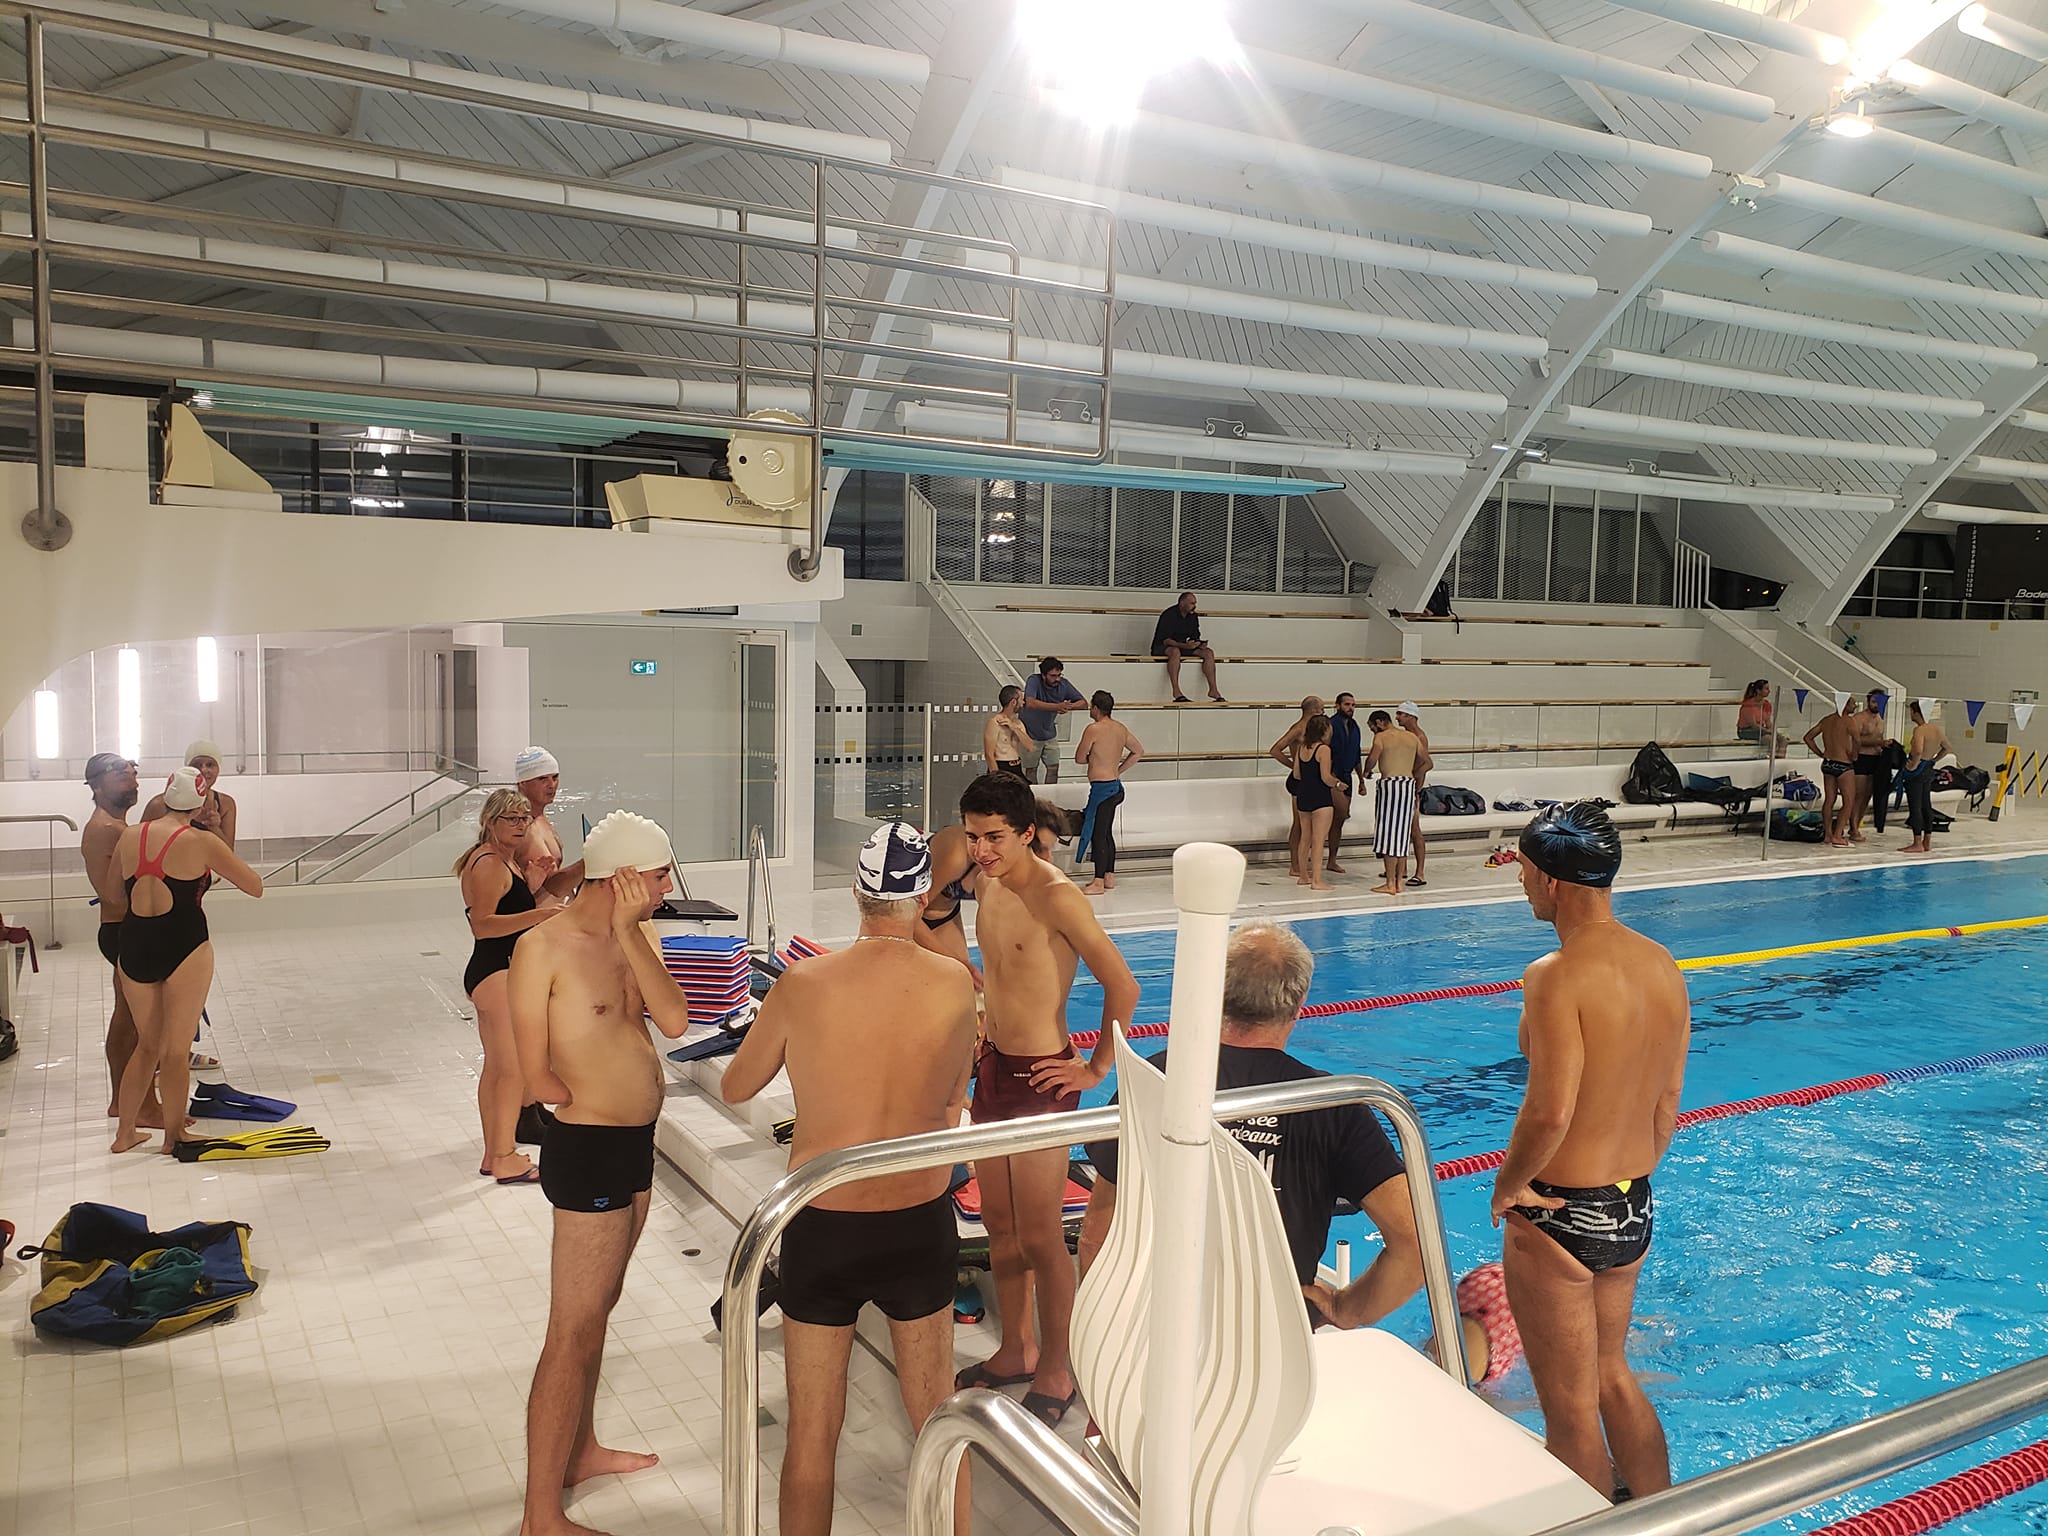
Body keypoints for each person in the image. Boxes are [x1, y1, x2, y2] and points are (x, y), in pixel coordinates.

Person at [721, 823, 978, 1536]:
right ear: (924, 895)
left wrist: (785, 1030)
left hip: (821, 1221)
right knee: (939, 1420)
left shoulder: (805, 983)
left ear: (856, 894)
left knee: (812, 1432)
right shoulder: (956, 984)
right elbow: (955, 1098)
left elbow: (740, 1085)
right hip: (918, 1220)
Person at [1078, 923, 1422, 1332]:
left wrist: (1107, 1331)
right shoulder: (1332, 1105)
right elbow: (1415, 1245)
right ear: (1300, 1004)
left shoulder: (1155, 1079)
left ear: (1217, 992)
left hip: (1161, 1330)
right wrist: (1349, 1310)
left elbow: (1099, 1228)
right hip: (1272, 1344)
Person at [1491, 801, 1689, 1502]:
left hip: (1560, 1216)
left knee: (1570, 1413)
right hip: (1632, 1205)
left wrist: (1509, 1185)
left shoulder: (1556, 973)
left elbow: (1549, 1111)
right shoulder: (1662, 964)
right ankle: (1664, 1519)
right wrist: (1623, 1179)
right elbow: (1668, 1105)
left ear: (1550, 880)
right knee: (1613, 1376)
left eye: (1520, 870)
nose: (1519, 884)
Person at [508, 811, 691, 1536]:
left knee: (601, 1308)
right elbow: (534, 1073)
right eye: (657, 874)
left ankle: (580, 1450)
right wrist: (584, 1095)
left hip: (636, 1143)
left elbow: (673, 1021)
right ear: (620, 875)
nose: (666, 886)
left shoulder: (635, 935)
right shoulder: (541, 946)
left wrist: (626, 931)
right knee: (570, 1328)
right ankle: (538, 1516)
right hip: (588, 1148)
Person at [952, 771, 1140, 1428]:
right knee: (1000, 1229)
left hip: (1042, 1079)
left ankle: (1059, 1364)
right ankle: (1016, 1349)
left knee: (1038, 1235)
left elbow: (1124, 985)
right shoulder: (986, 884)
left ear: (1028, 832)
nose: (981, 849)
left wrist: (1093, 1068)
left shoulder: (1058, 897)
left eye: (994, 837)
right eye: (974, 836)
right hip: (994, 1070)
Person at [109, 767, 265, 1155]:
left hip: (134, 943)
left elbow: (114, 892)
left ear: (164, 796)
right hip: (184, 944)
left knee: (146, 1045)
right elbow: (255, 886)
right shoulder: (201, 841)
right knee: (175, 1050)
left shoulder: (130, 835)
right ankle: (174, 1135)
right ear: (199, 802)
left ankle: (125, 1134)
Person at [456, 789, 565, 1184]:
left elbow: (512, 910)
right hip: (495, 973)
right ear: (491, 821)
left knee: (499, 1070)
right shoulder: (488, 863)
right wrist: (541, 915)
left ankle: (494, 1154)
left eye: (524, 819)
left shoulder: (503, 860)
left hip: (494, 973)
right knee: (511, 1071)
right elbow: (483, 926)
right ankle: (504, 1156)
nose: (521, 825)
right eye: (512, 819)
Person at [81, 752, 162, 1128]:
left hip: (124, 931)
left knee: (129, 1018)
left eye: (134, 775)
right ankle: (142, 1104)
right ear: (96, 786)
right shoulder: (106, 829)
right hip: (125, 930)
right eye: (122, 777)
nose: (132, 782)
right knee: (142, 1022)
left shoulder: (117, 826)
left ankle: (121, 1100)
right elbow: (112, 895)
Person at [915, 800, 1075, 982]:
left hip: (945, 914)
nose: (1048, 859)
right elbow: (910, 917)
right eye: (1041, 849)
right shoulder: (958, 853)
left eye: (1050, 850)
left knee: (966, 985)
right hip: (900, 911)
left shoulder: (1008, 867)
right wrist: (958, 961)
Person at [1073, 690, 1144, 895]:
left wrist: (1094, 759)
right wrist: (1117, 769)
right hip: (1115, 786)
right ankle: (1109, 876)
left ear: (1095, 708)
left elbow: (1079, 758)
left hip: (1102, 789)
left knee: (1098, 834)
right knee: (1106, 833)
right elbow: (1138, 751)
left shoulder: (1093, 729)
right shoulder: (1120, 728)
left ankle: (1098, 881)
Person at [1363, 710, 1422, 896]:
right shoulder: (1412, 738)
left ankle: (1389, 883)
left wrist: (1366, 772)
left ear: (1379, 722)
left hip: (1390, 785)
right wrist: (1413, 773)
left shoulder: (1381, 737)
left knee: (1389, 834)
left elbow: (1373, 758)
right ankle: (1398, 882)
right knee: (1403, 835)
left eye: (1372, 727)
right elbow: (1427, 762)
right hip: (1408, 785)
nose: (1373, 732)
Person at [140, 739, 239, 849]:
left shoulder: (225, 804)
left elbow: (228, 852)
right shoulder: (159, 804)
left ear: (218, 769)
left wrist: (214, 828)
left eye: (210, 765)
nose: (203, 770)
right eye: (196, 765)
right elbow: (139, 845)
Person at [514, 746, 582, 898]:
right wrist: (591, 860)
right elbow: (554, 886)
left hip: (557, 915)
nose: (551, 785)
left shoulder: (541, 820)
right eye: (542, 779)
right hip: (540, 919)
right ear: (522, 783)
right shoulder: (523, 828)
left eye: (555, 777)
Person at [1268, 697, 1324, 882]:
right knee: (1300, 824)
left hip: (1310, 780)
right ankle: (1295, 864)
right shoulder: (1299, 728)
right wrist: (1294, 766)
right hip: (1299, 780)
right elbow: (1275, 750)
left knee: (1307, 824)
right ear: (1314, 710)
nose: (1324, 712)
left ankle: (1301, 862)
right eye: (1322, 708)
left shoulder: (1313, 729)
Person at [1290, 715, 1343, 894]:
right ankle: (1317, 880)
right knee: (1318, 840)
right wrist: (1338, 784)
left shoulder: (1301, 748)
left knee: (1305, 837)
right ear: (1325, 730)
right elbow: (1326, 777)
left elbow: (1296, 774)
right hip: (1320, 797)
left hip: (1303, 794)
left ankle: (1303, 876)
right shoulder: (1324, 749)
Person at [1800, 703, 1859, 849]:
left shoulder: (1826, 720)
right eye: (1852, 703)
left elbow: (1808, 737)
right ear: (1844, 704)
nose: (1856, 705)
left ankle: (1828, 835)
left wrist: (1820, 753)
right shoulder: (1849, 721)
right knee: (1849, 801)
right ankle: (1838, 836)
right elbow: (1857, 740)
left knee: (1829, 800)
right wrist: (1854, 755)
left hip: (1828, 764)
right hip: (1843, 765)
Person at [1018, 658, 1086, 783]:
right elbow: (1030, 703)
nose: (1057, 679)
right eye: (1053, 676)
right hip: (1030, 734)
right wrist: (1057, 706)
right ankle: (1033, 796)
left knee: (1053, 767)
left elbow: (1083, 703)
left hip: (1049, 733)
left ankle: (1050, 795)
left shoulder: (1063, 684)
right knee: (1031, 769)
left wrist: (1067, 706)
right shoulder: (1034, 680)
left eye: (1059, 675)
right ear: (1043, 675)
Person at [1898, 702, 1952, 856]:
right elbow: (1948, 748)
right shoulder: (1936, 729)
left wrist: (1912, 766)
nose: (1910, 715)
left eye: (1911, 712)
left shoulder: (1919, 730)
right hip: (1928, 768)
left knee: (1915, 806)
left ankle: (1916, 843)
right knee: (1926, 805)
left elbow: (1917, 750)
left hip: (1918, 770)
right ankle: (1927, 841)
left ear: (1916, 713)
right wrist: (1934, 760)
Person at [1150, 590, 1223, 703]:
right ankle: (1176, 691)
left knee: (1208, 653)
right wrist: (1184, 645)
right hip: (1163, 647)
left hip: (1184, 646)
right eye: (1192, 603)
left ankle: (1213, 690)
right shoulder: (1169, 615)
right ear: (1182, 603)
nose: (1194, 606)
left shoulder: (1193, 616)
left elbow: (1195, 635)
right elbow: (1166, 640)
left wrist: (1199, 643)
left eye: (1195, 603)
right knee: (1175, 652)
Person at [1395, 702, 1434, 888]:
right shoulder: (1405, 736)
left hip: (1412, 789)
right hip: (1405, 786)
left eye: (1400, 714)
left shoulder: (1419, 737)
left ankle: (1420, 872)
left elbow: (1425, 764)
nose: (1397, 717)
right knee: (1403, 829)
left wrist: (1415, 785)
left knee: (1414, 830)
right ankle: (1401, 869)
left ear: (1411, 716)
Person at [1326, 694, 1363, 875]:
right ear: (1338, 705)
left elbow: (1356, 756)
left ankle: (1332, 859)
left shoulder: (1355, 727)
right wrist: (1330, 776)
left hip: (1347, 777)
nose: (1351, 708)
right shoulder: (1331, 725)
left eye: (1353, 705)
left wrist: (1362, 780)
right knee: (1340, 813)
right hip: (1332, 776)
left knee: (1338, 821)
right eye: (1347, 704)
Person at [1848, 693, 1889, 843]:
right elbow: (1855, 740)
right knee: (1858, 796)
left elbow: (1878, 740)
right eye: (1873, 702)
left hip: (1875, 760)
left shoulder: (1881, 719)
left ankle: (1855, 825)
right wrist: (1879, 742)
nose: (1876, 705)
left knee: (1867, 796)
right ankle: (1853, 828)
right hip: (1861, 759)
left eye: (1878, 703)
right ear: (1867, 701)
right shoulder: (1859, 718)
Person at [983, 684, 1030, 777]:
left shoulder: (1018, 723)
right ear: (1013, 702)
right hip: (1001, 766)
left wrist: (1014, 727)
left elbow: (1030, 746)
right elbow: (989, 754)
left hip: (1016, 766)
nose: (1023, 703)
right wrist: (996, 777)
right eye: (1021, 699)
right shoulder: (994, 723)